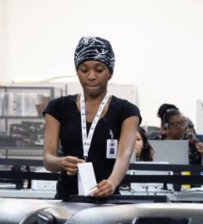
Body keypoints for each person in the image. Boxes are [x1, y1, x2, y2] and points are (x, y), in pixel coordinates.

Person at [43, 36, 140, 199]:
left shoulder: (127, 111)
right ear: (77, 72)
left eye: (99, 69)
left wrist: (112, 182)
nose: (91, 76)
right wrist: (60, 163)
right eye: (84, 70)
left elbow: (124, 154)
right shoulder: (57, 108)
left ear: (110, 73)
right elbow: (48, 158)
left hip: (108, 201)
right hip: (67, 200)